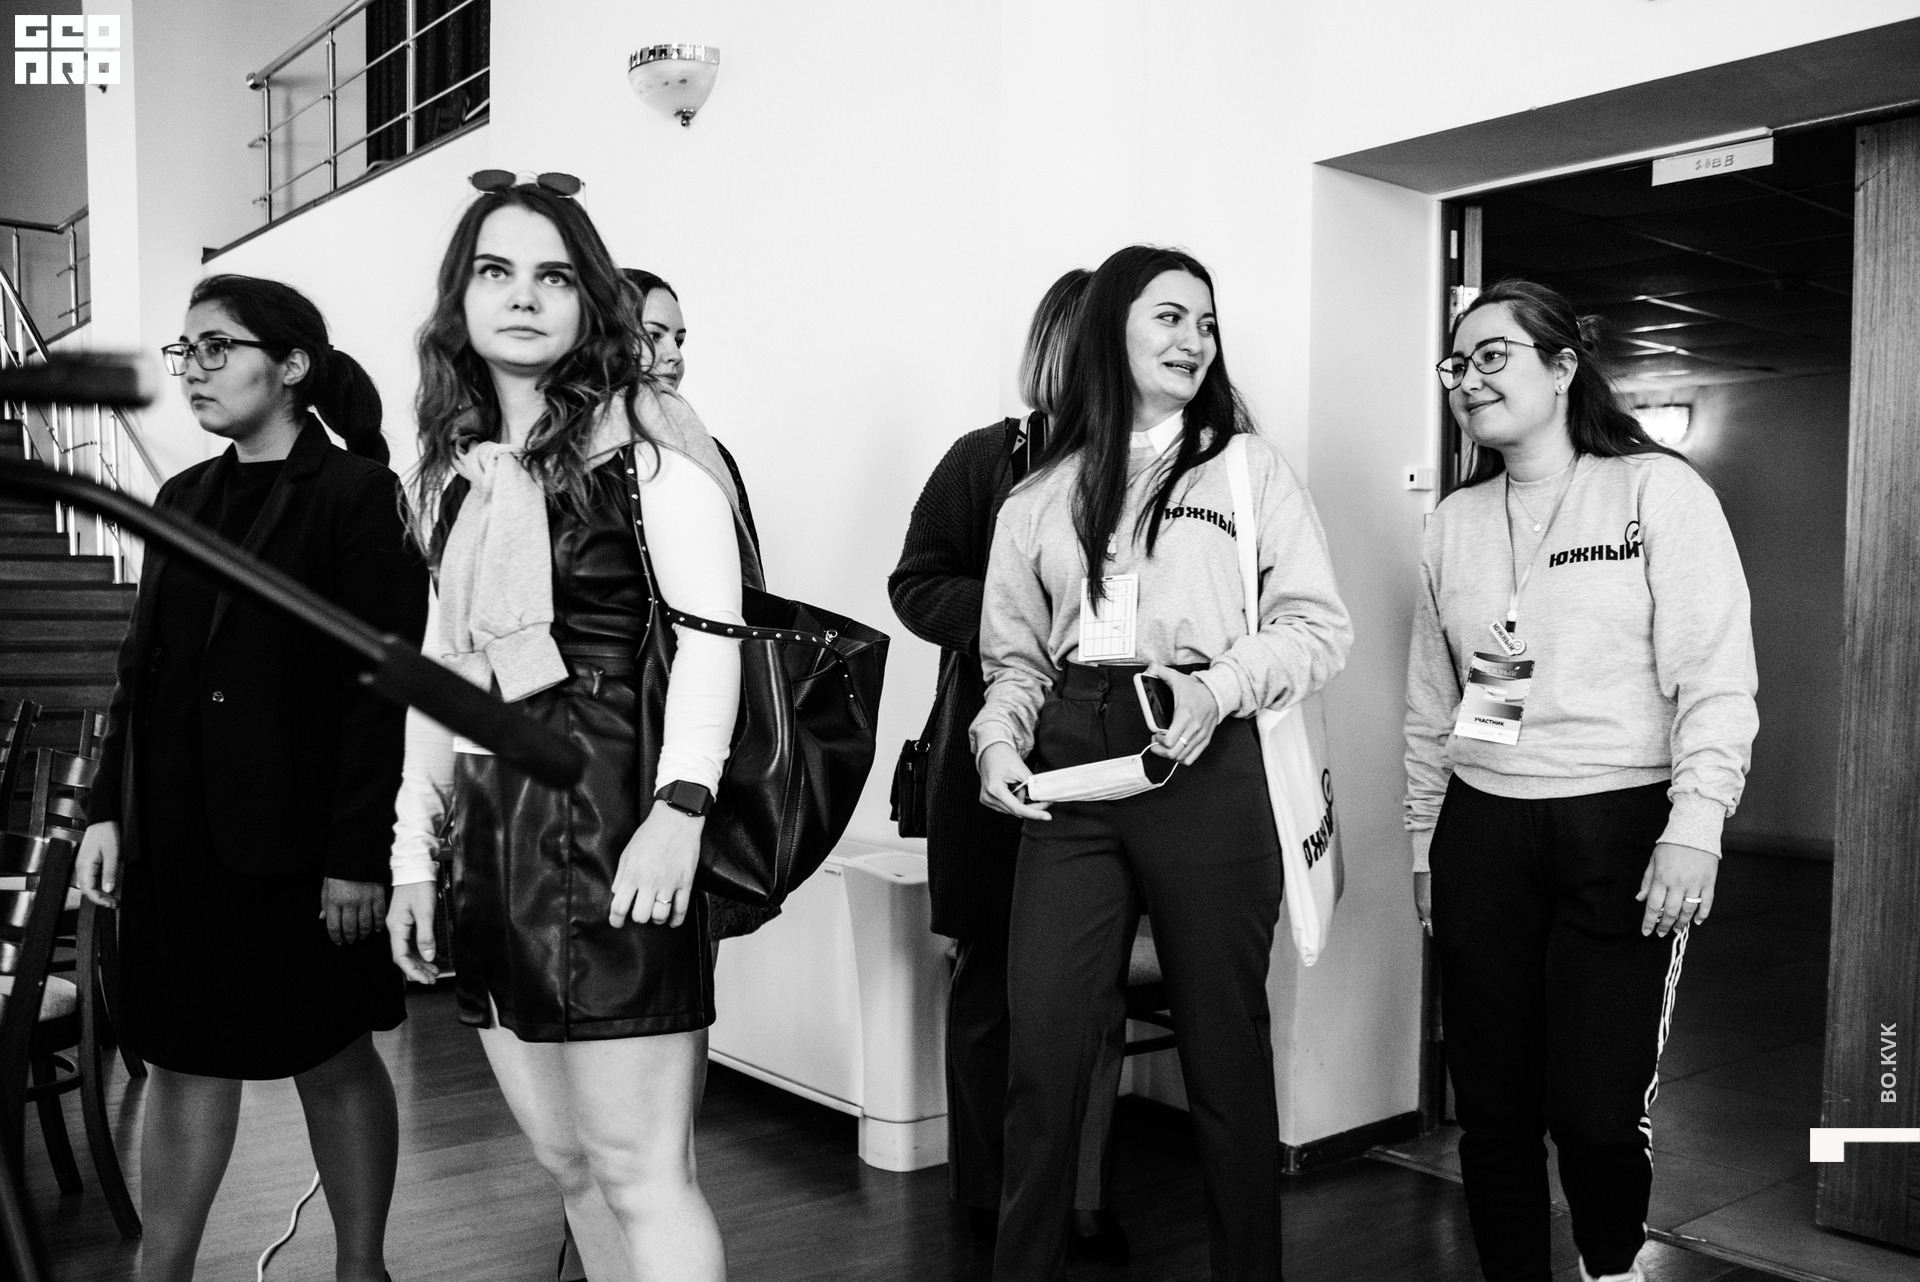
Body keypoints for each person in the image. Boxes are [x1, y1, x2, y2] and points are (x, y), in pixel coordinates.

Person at [385, 173, 760, 1282]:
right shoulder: (460, 483)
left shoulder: (650, 446)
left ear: (588, 299)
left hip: (614, 815)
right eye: (496, 272)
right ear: (459, 300)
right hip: (493, 831)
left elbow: (714, 639)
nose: (523, 296)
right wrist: (413, 858)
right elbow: (441, 682)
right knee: (569, 1165)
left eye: (553, 275)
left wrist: (681, 810)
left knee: (642, 1169)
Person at [974, 245, 1353, 1282]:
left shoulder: (1247, 470)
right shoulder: (1038, 495)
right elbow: (1014, 662)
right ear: (1112, 328)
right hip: (1072, 768)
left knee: (1225, 1054)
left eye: (1207, 322)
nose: (1196, 340)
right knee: (1045, 1055)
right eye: (1171, 317)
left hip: (1206, 757)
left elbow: (1318, 628)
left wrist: (1216, 688)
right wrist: (997, 740)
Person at [73, 274, 427, 1282]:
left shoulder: (359, 497)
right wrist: (106, 810)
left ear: (293, 364)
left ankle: (361, 1267)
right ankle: (163, 1273)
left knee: (331, 1055)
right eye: (186, 350)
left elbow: (378, 694)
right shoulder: (182, 497)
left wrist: (357, 857)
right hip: (177, 840)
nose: (194, 369)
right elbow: (141, 671)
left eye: (218, 347)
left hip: (301, 846)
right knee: (183, 1060)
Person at [1404, 279, 1758, 1282]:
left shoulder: (1655, 491)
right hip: (1481, 830)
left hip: (1621, 829)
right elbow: (1433, 702)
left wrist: (1696, 824)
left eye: (1494, 355)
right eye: (1458, 362)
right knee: (1493, 1110)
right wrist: (1425, 841)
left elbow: (1716, 673)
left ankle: (1612, 1267)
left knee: (1597, 1114)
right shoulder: (1453, 522)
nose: (1469, 380)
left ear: (1563, 367)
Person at [890, 267, 1130, 1262]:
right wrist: (1015, 616)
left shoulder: (1155, 467)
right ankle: (988, 1195)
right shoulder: (984, 459)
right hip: (994, 764)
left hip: (1112, 768)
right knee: (991, 988)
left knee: (1093, 996)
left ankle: (1080, 1196)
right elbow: (914, 584)